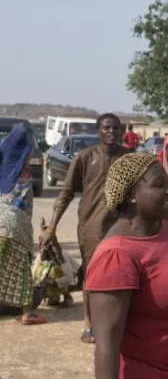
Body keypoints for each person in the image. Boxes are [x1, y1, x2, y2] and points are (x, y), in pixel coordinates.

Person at [86, 153, 168, 379]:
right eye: (159, 185)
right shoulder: (117, 255)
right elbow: (107, 346)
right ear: (131, 194)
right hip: (145, 377)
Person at [39, 113, 128, 343]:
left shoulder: (128, 158)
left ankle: (119, 322)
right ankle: (89, 321)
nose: (111, 132)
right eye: (107, 128)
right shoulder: (84, 157)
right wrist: (52, 228)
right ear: (98, 131)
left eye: (116, 128)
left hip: (121, 226)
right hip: (91, 226)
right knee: (92, 274)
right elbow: (66, 193)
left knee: (123, 274)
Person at [0, 125, 46, 325]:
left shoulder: (4, 158)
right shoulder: (25, 164)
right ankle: (26, 313)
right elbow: (25, 210)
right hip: (17, 225)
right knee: (23, 266)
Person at [32, 223, 80, 307]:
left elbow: (69, 278)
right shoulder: (41, 255)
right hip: (57, 281)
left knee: (54, 271)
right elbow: (34, 274)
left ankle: (68, 297)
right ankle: (53, 298)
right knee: (40, 273)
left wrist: (50, 282)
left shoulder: (61, 255)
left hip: (75, 279)